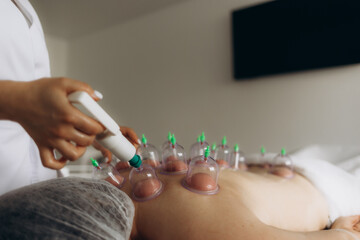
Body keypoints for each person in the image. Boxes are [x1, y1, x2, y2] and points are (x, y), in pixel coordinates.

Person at [0, 0, 138, 195]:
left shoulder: (25, 7)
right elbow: (25, 99)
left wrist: (82, 128)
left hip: (33, 202)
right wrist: (19, 101)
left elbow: (33, 97)